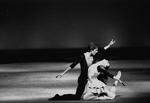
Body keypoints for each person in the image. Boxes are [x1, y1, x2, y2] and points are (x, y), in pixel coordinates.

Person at [49, 39, 115, 100]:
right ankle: (58, 97)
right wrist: (62, 73)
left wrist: (109, 45)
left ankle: (104, 94)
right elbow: (72, 65)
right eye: (96, 50)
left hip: (90, 78)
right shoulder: (82, 57)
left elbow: (102, 50)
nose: (97, 52)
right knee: (76, 97)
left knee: (98, 87)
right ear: (92, 50)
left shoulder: (94, 56)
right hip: (83, 79)